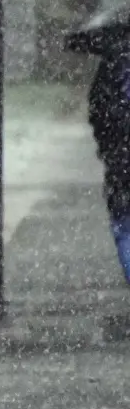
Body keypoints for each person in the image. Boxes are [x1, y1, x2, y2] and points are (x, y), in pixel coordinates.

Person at [86, 44, 130, 286]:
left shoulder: (112, 66)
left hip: (121, 160)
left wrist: (107, 146)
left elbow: (97, 112)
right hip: (119, 157)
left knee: (124, 225)